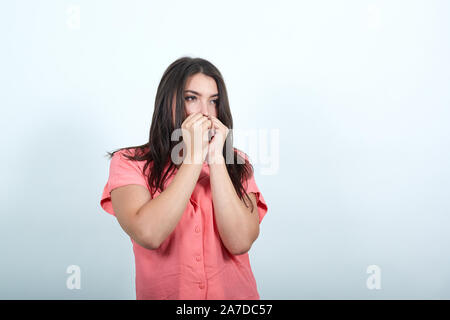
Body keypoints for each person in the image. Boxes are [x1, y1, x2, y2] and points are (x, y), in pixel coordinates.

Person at [99, 56, 268, 300]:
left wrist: (217, 159)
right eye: (191, 98)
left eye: (214, 101)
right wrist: (194, 157)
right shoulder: (128, 162)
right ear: (169, 103)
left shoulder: (237, 162)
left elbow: (240, 242)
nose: (206, 112)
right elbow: (149, 234)